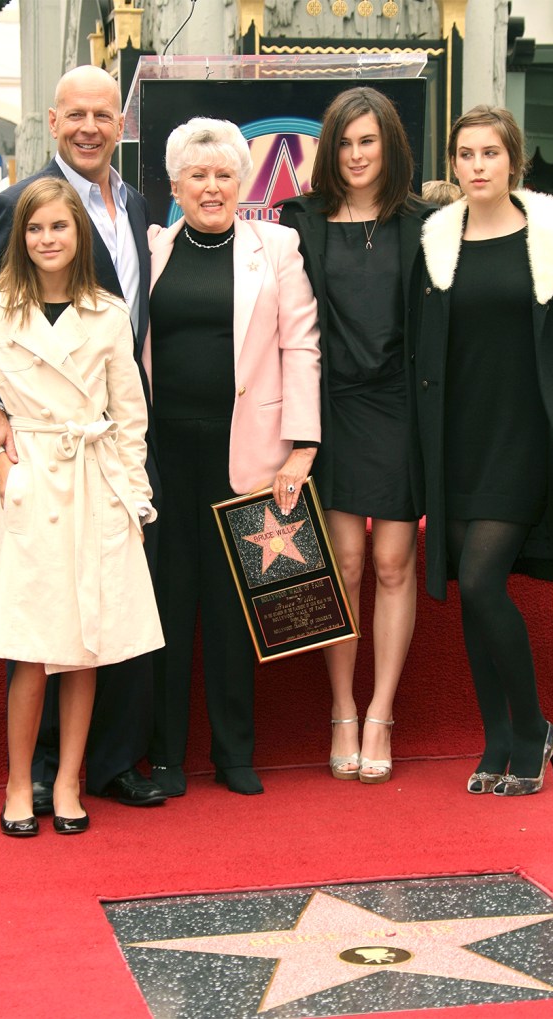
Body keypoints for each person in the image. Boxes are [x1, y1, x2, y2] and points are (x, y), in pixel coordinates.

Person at [0, 65, 165, 810]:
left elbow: (125, 323)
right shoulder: (20, 202)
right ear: (52, 120)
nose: (88, 126)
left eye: (102, 115)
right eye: (75, 113)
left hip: (111, 436)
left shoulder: (135, 200)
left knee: (110, 611)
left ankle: (100, 764)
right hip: (42, 458)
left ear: (121, 122)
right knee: (43, 621)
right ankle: (38, 771)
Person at [413, 105, 553, 796]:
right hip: (458, 437)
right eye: (466, 154)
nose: (478, 165)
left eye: (490, 152)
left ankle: (536, 727)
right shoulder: (435, 240)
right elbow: (420, 345)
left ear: (512, 159)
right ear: (454, 163)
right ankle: (496, 742)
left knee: (486, 579)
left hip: (524, 437)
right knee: (469, 592)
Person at [146, 117, 320, 796]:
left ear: (242, 182)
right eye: (198, 175)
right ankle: (164, 757)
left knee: (231, 606)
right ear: (176, 185)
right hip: (159, 457)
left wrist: (302, 445)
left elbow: (301, 346)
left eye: (223, 175)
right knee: (165, 602)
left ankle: (233, 752)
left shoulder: (276, 246)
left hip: (247, 455)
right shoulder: (153, 247)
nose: (211, 187)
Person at [279, 87, 432, 784]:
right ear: (329, 150)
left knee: (395, 561)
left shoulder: (425, 225)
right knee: (343, 562)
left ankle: (382, 710)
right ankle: (342, 706)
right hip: (329, 409)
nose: (356, 154)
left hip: (399, 407)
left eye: (368, 141)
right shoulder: (299, 221)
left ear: (390, 146)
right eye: (344, 142)